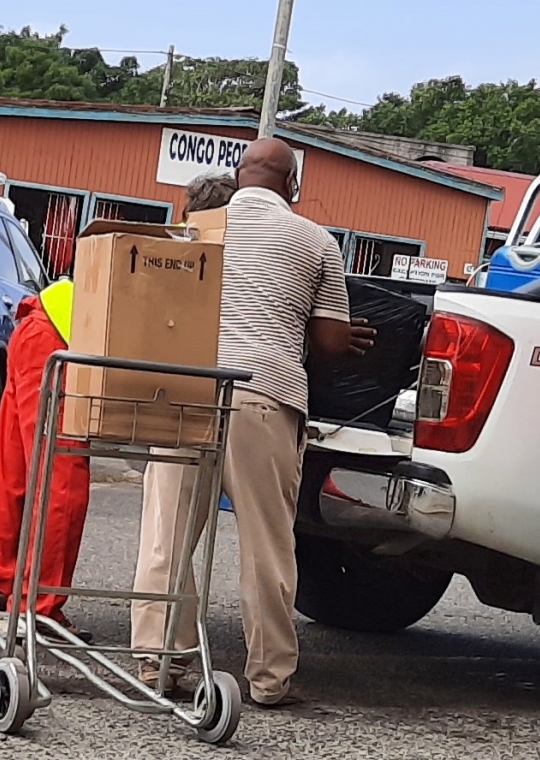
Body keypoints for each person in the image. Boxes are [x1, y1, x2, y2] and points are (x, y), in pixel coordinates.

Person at [129, 138, 376, 706]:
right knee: (266, 545)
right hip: (262, 396)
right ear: (292, 186)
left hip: (184, 393)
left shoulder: (198, 227)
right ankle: (268, 679)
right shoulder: (314, 238)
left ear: (239, 176)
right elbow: (330, 337)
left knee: (165, 536)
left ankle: (158, 663)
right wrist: (354, 337)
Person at [0, 278, 93, 643]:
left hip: (38, 324)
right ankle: (37, 606)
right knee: (61, 479)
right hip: (63, 340)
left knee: (16, 470)